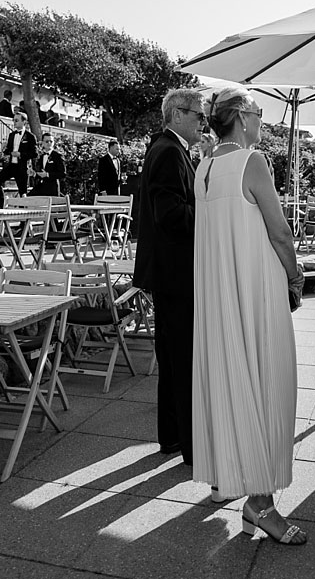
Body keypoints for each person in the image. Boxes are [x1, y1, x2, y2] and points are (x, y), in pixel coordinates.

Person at [192, 87, 307, 545]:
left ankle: (247, 492)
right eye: (259, 112)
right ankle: (261, 504)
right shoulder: (251, 161)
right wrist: (296, 276)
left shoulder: (203, 166)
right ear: (241, 117)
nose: (262, 120)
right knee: (268, 384)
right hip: (256, 292)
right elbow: (279, 232)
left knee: (238, 380)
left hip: (221, 296)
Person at [132, 88, 205, 466]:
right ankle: (188, 444)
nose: (202, 122)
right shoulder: (168, 151)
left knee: (173, 357)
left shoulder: (167, 148)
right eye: (197, 115)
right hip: (174, 272)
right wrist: (211, 212)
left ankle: (173, 438)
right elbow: (171, 215)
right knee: (180, 358)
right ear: (177, 114)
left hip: (168, 271)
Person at [0, 112, 37, 207]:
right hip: (11, 166)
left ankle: (23, 218)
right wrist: (4, 152)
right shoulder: (12, 135)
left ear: (24, 122)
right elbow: (9, 150)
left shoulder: (30, 137)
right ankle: (2, 204)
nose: (14, 122)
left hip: (22, 167)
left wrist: (20, 154)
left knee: (22, 192)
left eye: (16, 120)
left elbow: (34, 153)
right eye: (14, 120)